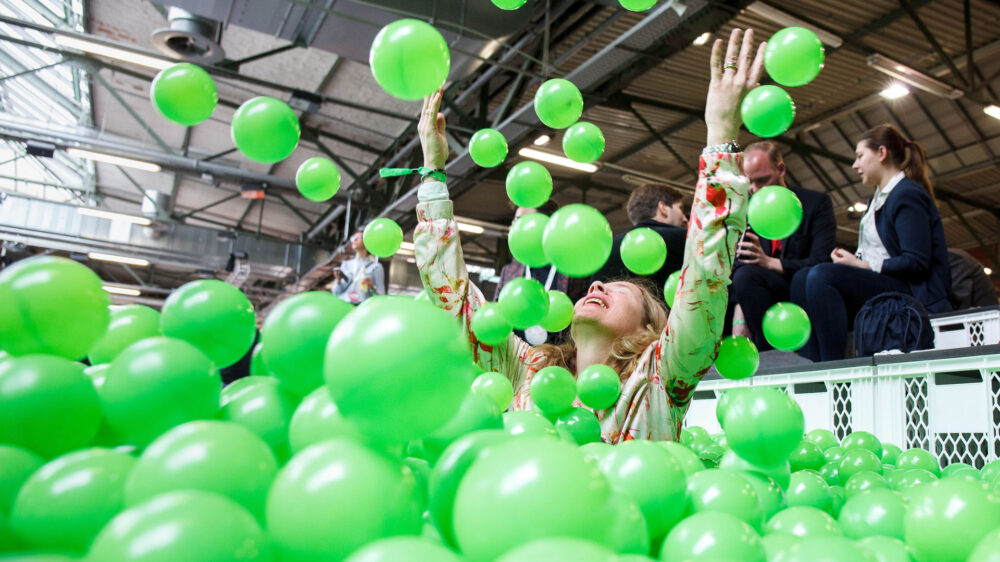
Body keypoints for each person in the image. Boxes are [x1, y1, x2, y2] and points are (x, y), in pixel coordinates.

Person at [413, 29, 763, 442]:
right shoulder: (530, 369)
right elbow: (455, 302)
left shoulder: (660, 377)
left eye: (621, 292)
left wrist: (720, 133)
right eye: (602, 284)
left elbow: (704, 280)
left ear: (647, 331)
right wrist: (433, 175)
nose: (596, 283)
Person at [791, 124, 952, 362]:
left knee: (821, 277)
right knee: (802, 277)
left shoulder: (907, 194)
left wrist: (860, 266)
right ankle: (812, 362)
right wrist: (851, 261)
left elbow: (916, 261)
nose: (855, 165)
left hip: (911, 291)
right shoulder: (876, 199)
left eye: (859, 156)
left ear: (881, 153)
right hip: (886, 284)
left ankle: (832, 367)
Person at [731, 141, 836, 350]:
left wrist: (771, 263)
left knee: (803, 278)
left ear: (781, 169)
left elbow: (820, 260)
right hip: (763, 292)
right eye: (749, 183)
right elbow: (742, 263)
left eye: (762, 181)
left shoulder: (816, 204)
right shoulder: (751, 210)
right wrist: (739, 315)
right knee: (743, 277)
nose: (755, 189)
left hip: (804, 287)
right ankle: (766, 353)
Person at [495, 201, 589, 345]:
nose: (516, 227)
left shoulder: (572, 271)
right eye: (515, 221)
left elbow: (582, 320)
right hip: (514, 358)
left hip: (559, 358)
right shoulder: (509, 272)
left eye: (524, 221)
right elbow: (498, 318)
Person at [593, 183, 688, 300]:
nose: (685, 218)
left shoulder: (605, 250)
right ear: (663, 208)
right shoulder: (683, 238)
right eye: (680, 208)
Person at [331, 230, 385, 305]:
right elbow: (336, 292)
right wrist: (338, 281)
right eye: (353, 238)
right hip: (344, 304)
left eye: (359, 237)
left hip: (362, 307)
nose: (355, 240)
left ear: (368, 242)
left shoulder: (376, 267)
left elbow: (381, 296)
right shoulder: (346, 265)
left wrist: (372, 287)